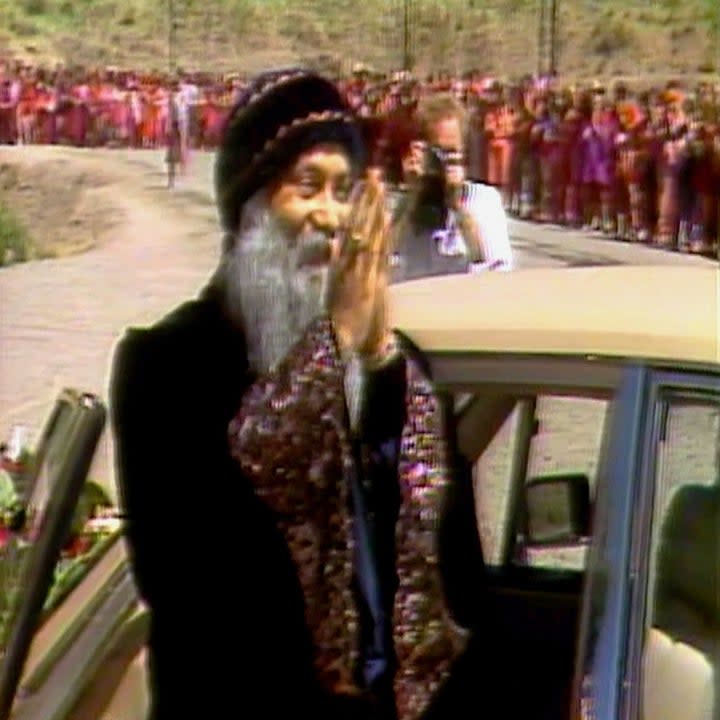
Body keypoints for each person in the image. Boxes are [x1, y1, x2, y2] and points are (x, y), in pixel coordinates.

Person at [110, 68, 482, 720]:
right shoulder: (165, 365)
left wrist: (378, 367)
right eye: (306, 188)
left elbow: (453, 573)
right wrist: (329, 351)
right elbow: (194, 584)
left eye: (344, 192)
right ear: (249, 207)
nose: (329, 216)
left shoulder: (392, 365)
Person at [389, 92, 514, 283]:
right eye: (435, 153)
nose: (442, 162)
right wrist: (413, 195)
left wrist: (458, 207)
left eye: (450, 153)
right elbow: (383, 266)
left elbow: (497, 273)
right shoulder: (405, 207)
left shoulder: (482, 200)